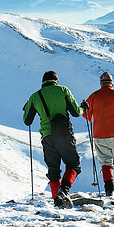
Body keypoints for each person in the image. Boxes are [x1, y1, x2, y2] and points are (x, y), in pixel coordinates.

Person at [23, 71, 83, 209]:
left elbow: (27, 121)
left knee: (53, 170)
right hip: (64, 134)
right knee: (73, 164)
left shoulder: (35, 96)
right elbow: (75, 112)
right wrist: (82, 108)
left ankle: (57, 200)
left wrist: (27, 108)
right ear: (56, 80)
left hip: (47, 137)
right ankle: (64, 191)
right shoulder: (63, 90)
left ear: (43, 81)